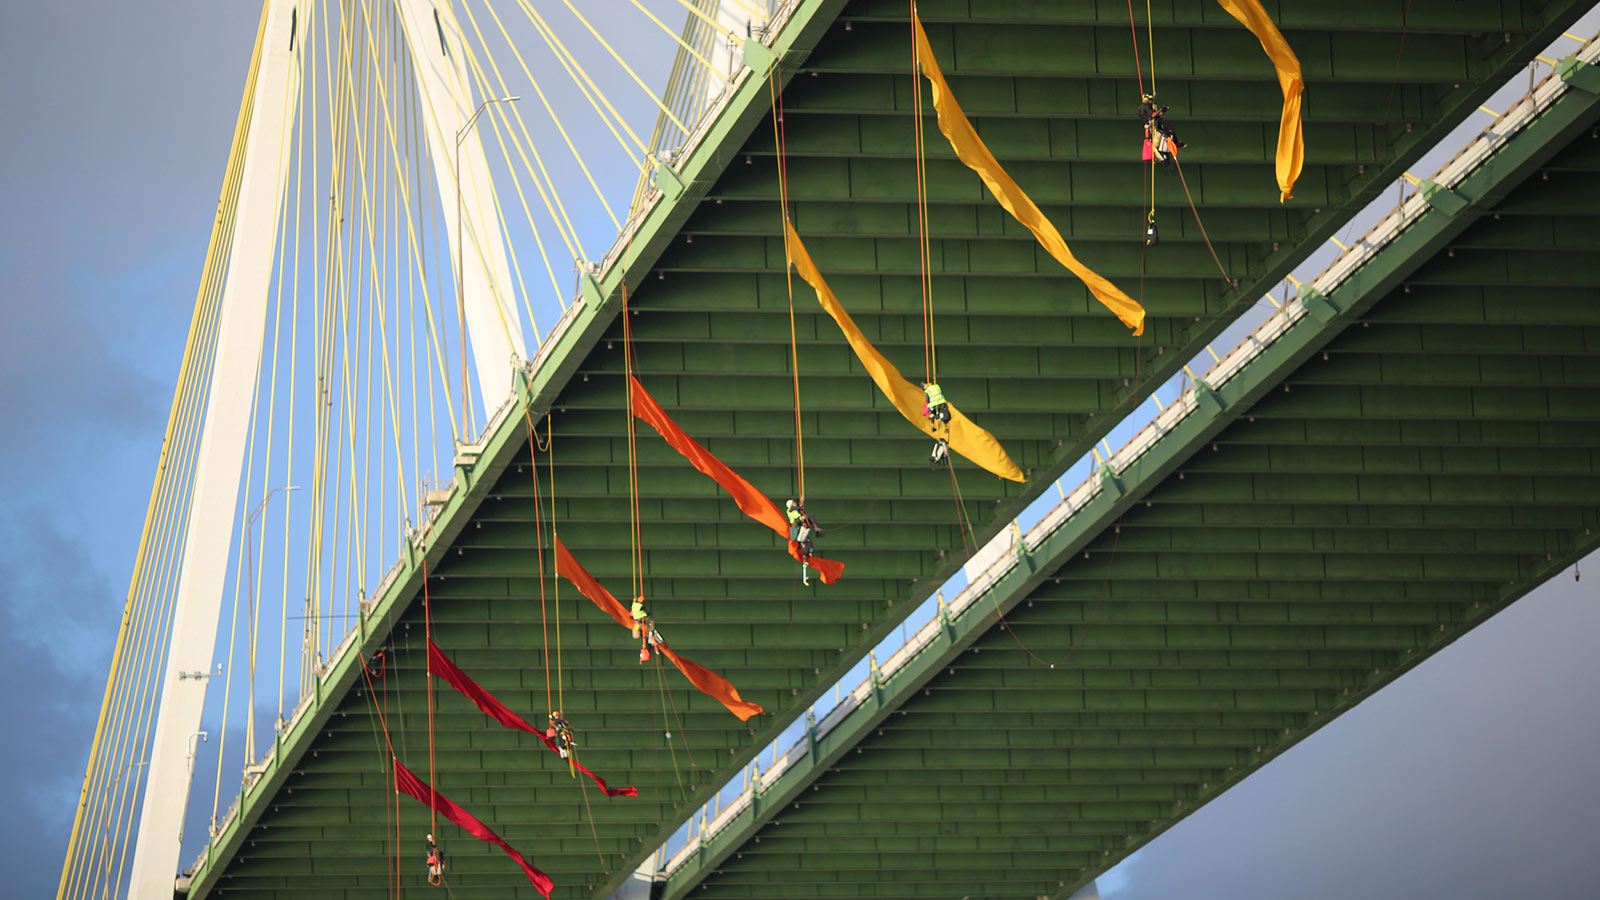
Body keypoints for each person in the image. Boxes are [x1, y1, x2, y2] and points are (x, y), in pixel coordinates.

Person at [1138, 94, 1185, 168]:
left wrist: (1163, 110)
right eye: (1150, 100)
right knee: (1168, 129)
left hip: (1155, 123)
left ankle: (1174, 144)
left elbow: (1154, 114)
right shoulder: (1145, 106)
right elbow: (1153, 115)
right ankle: (1175, 143)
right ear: (1148, 100)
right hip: (1154, 124)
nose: (1151, 102)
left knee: (1167, 131)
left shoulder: (1144, 106)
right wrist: (1161, 110)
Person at [786, 499, 817, 585]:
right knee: (808, 520)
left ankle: (806, 554)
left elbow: (799, 509)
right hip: (798, 527)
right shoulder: (790, 510)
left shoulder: (795, 510)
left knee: (807, 541)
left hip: (800, 532)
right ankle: (815, 528)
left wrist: (801, 503)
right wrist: (800, 506)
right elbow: (796, 509)